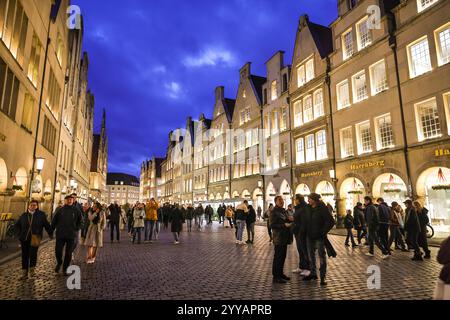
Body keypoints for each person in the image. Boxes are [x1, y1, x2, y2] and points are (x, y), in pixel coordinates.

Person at [15, 200, 53, 280]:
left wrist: (50, 233)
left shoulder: (41, 215)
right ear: (28, 206)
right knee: (24, 255)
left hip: (35, 238)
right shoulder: (24, 215)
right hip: (24, 238)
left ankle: (32, 271)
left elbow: (46, 225)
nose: (33, 206)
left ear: (37, 206)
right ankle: (24, 273)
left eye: (34, 205)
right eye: (31, 205)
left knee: (33, 254)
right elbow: (17, 225)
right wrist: (19, 234)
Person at [303, 193, 335, 286]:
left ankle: (323, 276)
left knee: (321, 257)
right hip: (309, 236)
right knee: (311, 256)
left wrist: (322, 232)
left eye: (309, 199)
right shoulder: (308, 208)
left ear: (314, 200)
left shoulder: (322, 208)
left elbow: (331, 221)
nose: (308, 200)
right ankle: (313, 273)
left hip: (319, 237)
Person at [52, 195, 82, 275]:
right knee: (58, 251)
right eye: (68, 199)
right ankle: (59, 262)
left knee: (68, 253)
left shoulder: (76, 210)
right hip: (60, 234)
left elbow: (81, 221)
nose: (69, 201)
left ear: (73, 201)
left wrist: (76, 228)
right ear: (65, 200)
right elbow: (54, 221)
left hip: (71, 235)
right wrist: (51, 231)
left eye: (71, 200)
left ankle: (65, 268)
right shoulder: (60, 209)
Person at [270, 196, 293, 284]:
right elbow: (272, 225)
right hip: (278, 237)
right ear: (275, 202)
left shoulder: (283, 211)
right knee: (278, 257)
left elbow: (286, 219)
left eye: (282, 200)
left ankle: (280, 273)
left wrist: (290, 220)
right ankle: (276, 276)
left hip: (284, 237)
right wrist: (284, 225)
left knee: (283, 256)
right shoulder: (274, 212)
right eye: (279, 200)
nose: (281, 202)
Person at [292, 194, 310, 277]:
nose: (294, 200)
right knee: (300, 250)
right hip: (297, 231)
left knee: (304, 250)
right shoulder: (298, 208)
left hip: (302, 232)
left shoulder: (304, 208)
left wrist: (301, 232)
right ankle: (301, 266)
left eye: (295, 199)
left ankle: (308, 268)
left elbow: (304, 221)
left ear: (298, 200)